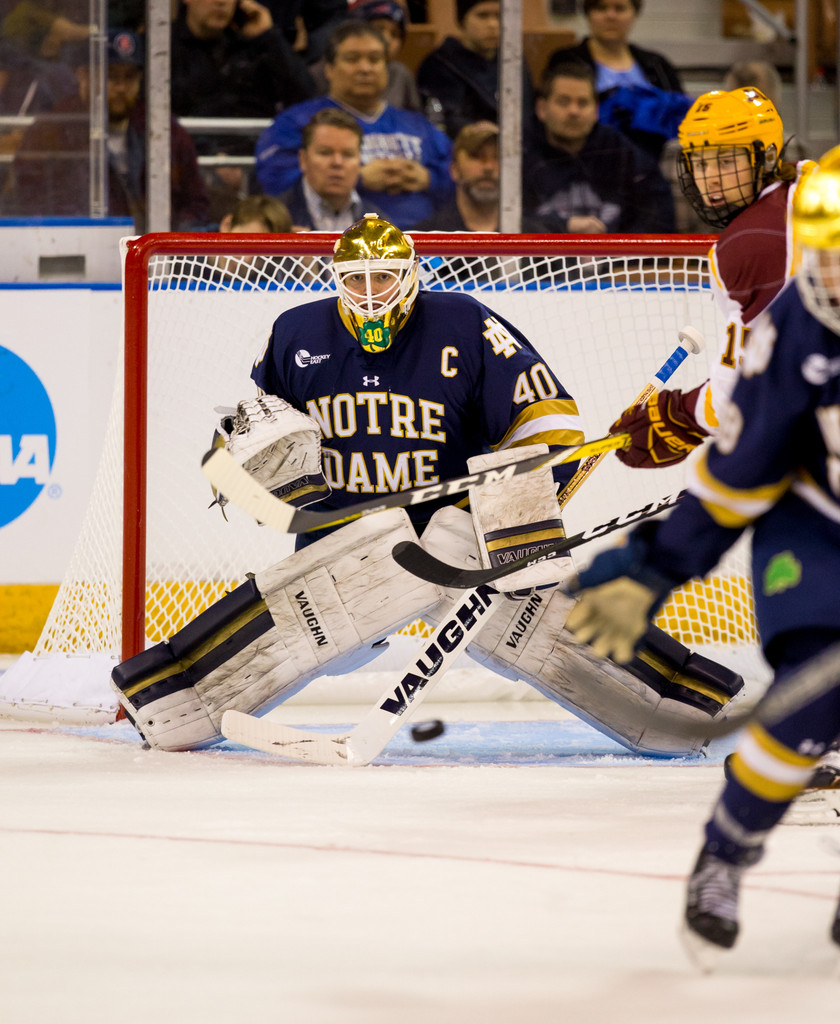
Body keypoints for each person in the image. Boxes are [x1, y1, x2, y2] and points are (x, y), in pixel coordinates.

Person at [111, 213, 743, 757]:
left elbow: (547, 419)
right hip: (344, 546)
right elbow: (255, 436)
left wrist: (514, 505)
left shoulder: (463, 323)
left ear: (411, 275)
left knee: (530, 627)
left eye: (383, 277)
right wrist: (251, 476)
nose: (369, 292)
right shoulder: (295, 334)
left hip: (457, 540)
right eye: (355, 279)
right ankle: (173, 697)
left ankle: (686, 704)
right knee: (294, 618)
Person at [563, 146, 840, 964]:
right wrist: (657, 566)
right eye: (823, 256)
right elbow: (740, 476)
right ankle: (725, 854)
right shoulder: (796, 326)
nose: (831, 276)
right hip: (816, 524)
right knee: (810, 703)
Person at [255, 20, 453, 228]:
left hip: (423, 246)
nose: (365, 68)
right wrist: (355, 178)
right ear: (329, 69)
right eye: (352, 59)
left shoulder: (417, 125)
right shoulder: (297, 122)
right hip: (334, 242)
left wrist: (430, 179)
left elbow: (459, 174)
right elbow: (275, 181)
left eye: (375, 59)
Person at [9, 28, 210, 230]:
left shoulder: (166, 131)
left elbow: (195, 201)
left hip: (152, 253)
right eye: (110, 76)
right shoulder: (50, 130)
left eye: (129, 77)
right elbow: (29, 200)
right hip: (79, 249)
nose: (121, 88)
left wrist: (176, 235)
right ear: (82, 76)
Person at [522, 63, 675, 234]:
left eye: (583, 103)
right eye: (563, 102)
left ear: (596, 110)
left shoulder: (620, 150)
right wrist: (561, 227)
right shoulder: (520, 153)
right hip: (537, 259)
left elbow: (659, 215)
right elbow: (501, 220)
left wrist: (619, 252)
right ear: (541, 108)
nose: (574, 111)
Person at [545, 0, 686, 160]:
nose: (610, 16)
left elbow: (681, 117)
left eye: (619, 8)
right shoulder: (567, 60)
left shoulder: (657, 64)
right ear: (588, 13)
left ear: (635, 13)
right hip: (587, 159)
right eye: (601, 8)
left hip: (654, 162)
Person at [416, 0, 536, 141]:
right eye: (482, 16)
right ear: (462, 21)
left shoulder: (514, 60)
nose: (493, 24)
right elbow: (442, 119)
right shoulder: (440, 64)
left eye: (499, 15)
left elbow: (528, 114)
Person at [412, 120, 548, 232]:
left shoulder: (535, 241)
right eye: (476, 156)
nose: (488, 167)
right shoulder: (425, 240)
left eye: (498, 157)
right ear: (454, 170)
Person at [278, 107, 383, 230]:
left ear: (360, 161)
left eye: (348, 154)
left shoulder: (380, 222)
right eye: (325, 153)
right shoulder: (274, 219)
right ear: (303, 159)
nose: (337, 163)